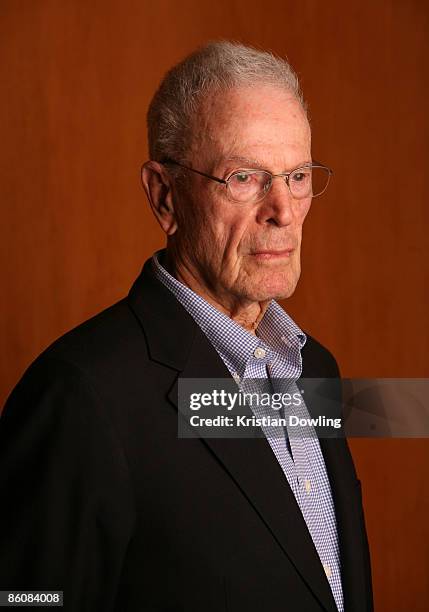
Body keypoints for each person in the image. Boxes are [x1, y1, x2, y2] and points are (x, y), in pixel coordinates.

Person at [0, 41, 373, 611]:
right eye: (244, 177)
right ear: (164, 196)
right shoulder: (80, 396)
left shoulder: (313, 366)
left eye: (297, 175)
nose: (284, 209)